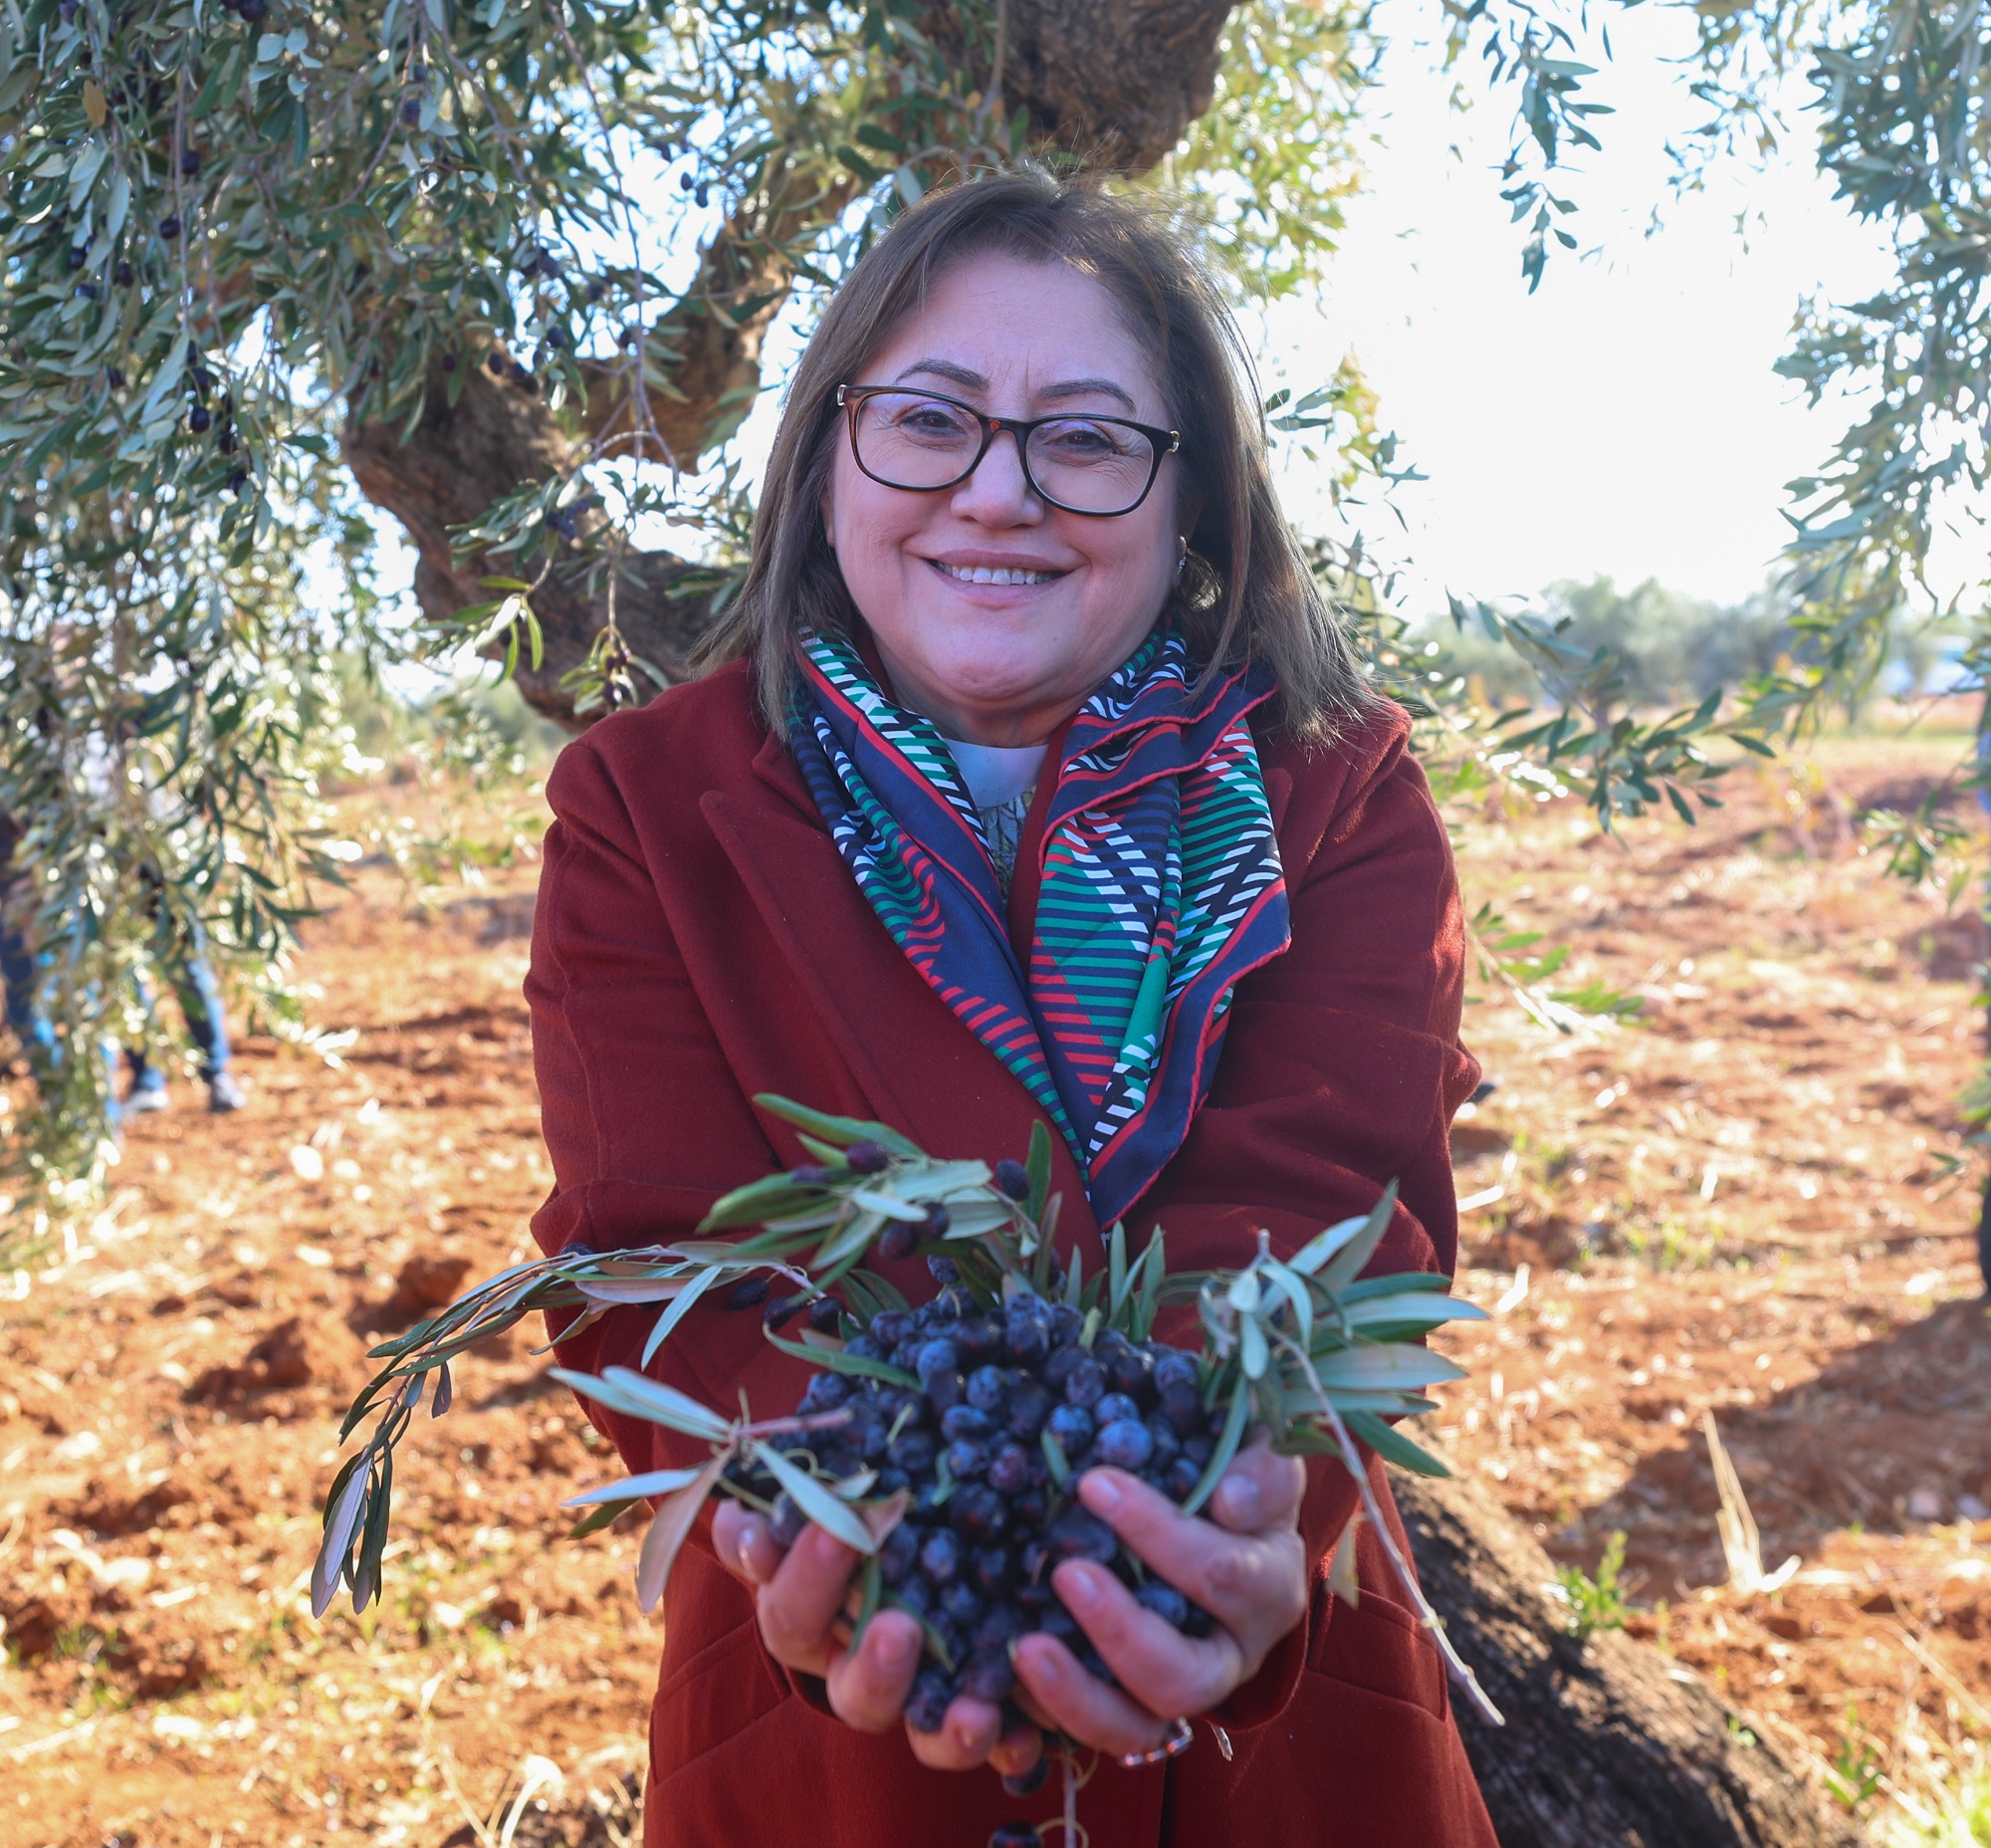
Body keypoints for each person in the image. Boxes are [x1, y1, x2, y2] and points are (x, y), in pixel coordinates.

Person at [525, 172, 1496, 1847]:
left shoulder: (1335, 792)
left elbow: (1333, 1212)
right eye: (930, 420)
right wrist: (857, 1521)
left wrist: (1189, 1538)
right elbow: (662, 1266)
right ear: (825, 456)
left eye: (1088, 437)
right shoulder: (648, 807)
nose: (997, 492)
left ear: (1192, 498)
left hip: (1265, 1716)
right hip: (838, 1706)